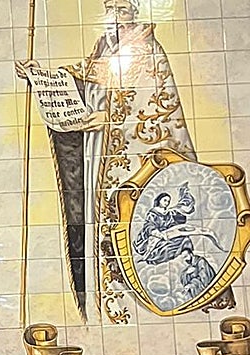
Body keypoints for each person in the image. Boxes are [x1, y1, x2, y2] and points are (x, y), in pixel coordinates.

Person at [14, 0, 214, 322]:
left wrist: (109, 118)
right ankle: (109, 311)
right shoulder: (104, 48)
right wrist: (39, 76)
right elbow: (81, 77)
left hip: (135, 165)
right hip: (100, 157)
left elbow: (158, 110)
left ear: (134, 13)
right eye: (109, 9)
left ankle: (149, 311)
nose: (113, 17)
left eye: (120, 9)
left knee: (139, 234)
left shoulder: (149, 50)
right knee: (104, 238)